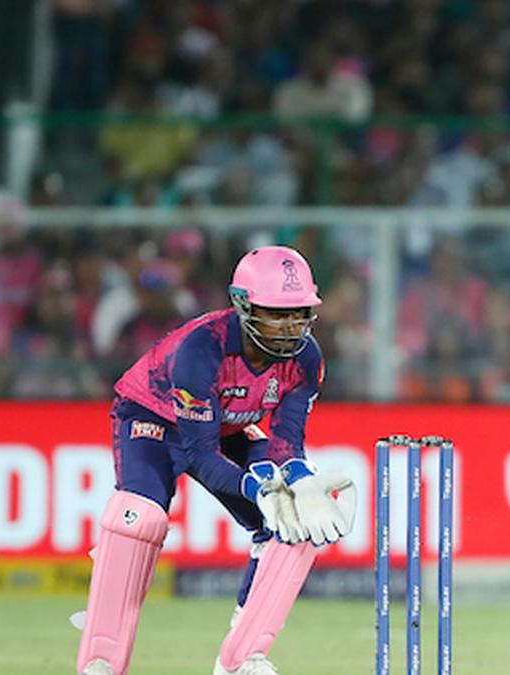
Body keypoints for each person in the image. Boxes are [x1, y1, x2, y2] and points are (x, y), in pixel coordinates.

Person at [76, 246, 356, 675]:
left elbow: (286, 447)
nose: (290, 327)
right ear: (244, 306)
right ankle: (102, 658)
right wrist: (257, 488)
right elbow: (201, 455)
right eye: (276, 313)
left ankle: (242, 658)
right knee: (139, 518)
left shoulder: (306, 358)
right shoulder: (202, 348)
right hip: (153, 416)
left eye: (299, 313)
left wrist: (300, 480)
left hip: (225, 425)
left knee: (295, 520)